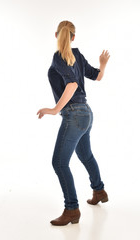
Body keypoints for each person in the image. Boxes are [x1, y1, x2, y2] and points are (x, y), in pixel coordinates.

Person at [36, 20, 110, 226]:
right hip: (86, 113)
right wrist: (103, 64)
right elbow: (98, 77)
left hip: (74, 115)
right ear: (73, 37)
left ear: (56, 35)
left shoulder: (59, 57)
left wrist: (53, 110)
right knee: (85, 155)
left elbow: (72, 83)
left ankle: (72, 209)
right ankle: (99, 190)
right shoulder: (76, 55)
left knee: (59, 163)